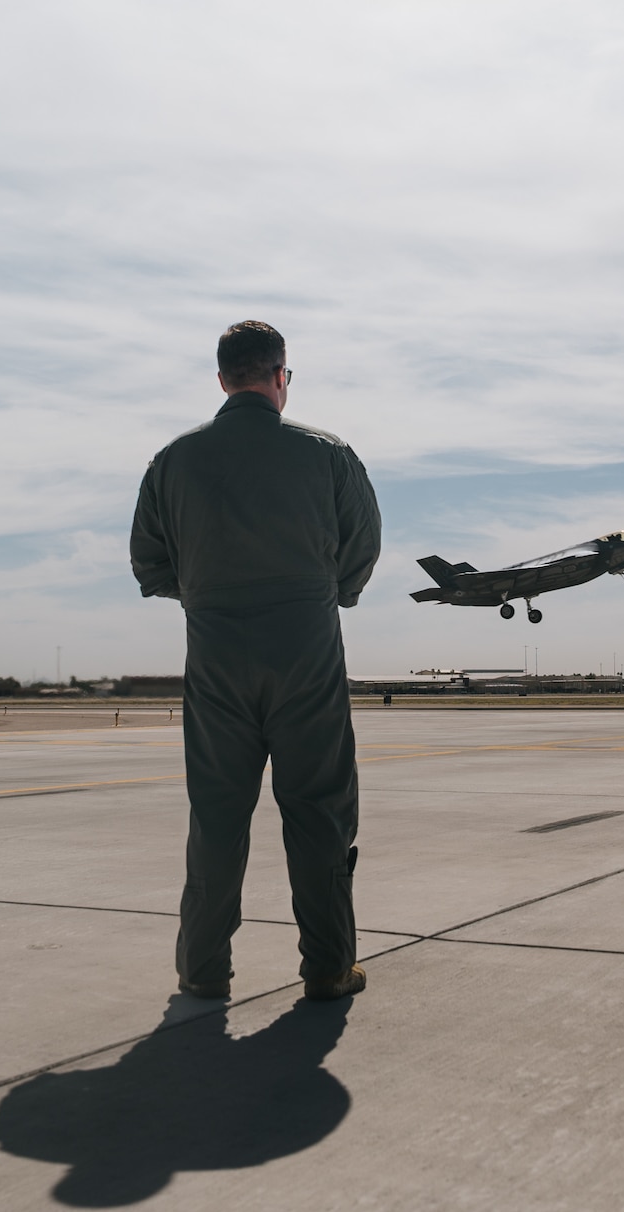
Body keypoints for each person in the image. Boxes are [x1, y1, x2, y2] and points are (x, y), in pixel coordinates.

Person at [130, 321, 381, 1002]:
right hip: (306, 653)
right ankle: (328, 966)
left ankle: (203, 970)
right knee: (319, 811)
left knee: (216, 816)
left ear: (222, 380)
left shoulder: (172, 461)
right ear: (280, 376)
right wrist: (323, 594)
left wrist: (209, 594)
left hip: (215, 657)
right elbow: (361, 548)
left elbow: (149, 564)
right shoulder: (328, 453)